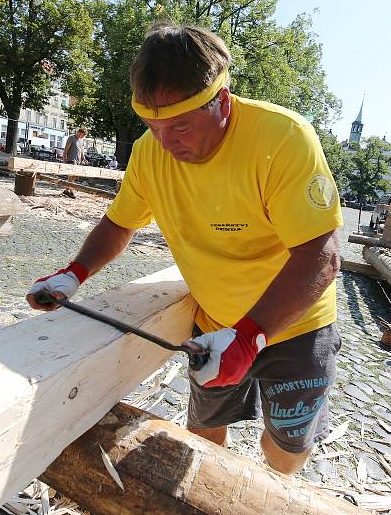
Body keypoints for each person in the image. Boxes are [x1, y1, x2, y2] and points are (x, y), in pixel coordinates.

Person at [26, 24, 342, 475]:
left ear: (223, 102)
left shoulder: (282, 139)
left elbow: (321, 256)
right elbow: (119, 223)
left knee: (285, 451)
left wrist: (252, 334)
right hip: (215, 323)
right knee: (204, 435)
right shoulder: (149, 153)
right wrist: (74, 272)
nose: (166, 143)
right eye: (153, 126)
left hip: (296, 327)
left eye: (181, 126)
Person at [62, 128, 88, 197]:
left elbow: (82, 151)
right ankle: (71, 191)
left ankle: (67, 190)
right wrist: (64, 160)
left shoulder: (81, 140)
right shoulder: (71, 138)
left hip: (78, 161)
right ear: (79, 132)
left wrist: (84, 159)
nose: (83, 137)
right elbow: (66, 150)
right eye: (83, 135)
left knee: (74, 177)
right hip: (71, 159)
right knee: (71, 176)